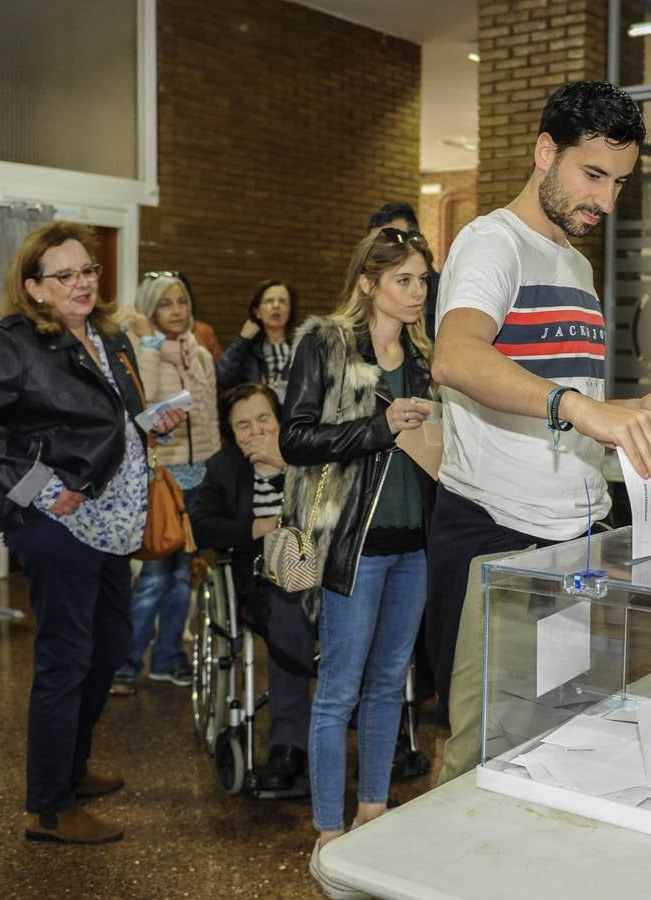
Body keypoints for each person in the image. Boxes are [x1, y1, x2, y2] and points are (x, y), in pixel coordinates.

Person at [427, 80, 651, 776]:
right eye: (594, 175)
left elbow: (563, 393)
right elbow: (457, 358)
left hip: (570, 543)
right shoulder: (492, 243)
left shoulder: (575, 264)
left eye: (621, 183)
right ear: (546, 152)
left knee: (556, 741)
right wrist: (579, 406)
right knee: (483, 757)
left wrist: (632, 414)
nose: (606, 201)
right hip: (500, 536)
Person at [0, 222, 185, 844]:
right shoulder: (15, 343)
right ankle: (47, 807)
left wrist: (151, 421)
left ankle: (69, 770)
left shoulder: (109, 335)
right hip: (55, 523)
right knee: (66, 660)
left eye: (88, 271)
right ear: (34, 288)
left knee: (108, 648)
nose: (81, 283)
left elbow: (107, 420)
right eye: (64, 275)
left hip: (109, 523)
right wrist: (40, 485)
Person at [278, 227, 437, 887]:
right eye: (404, 280)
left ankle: (373, 810)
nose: (417, 292)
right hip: (353, 543)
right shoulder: (326, 343)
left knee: (388, 683)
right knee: (339, 687)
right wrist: (380, 426)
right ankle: (327, 828)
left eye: (424, 280)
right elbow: (295, 437)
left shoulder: (427, 357)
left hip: (415, 546)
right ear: (368, 283)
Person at [192, 383, 313, 793]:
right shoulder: (225, 468)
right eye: (243, 426)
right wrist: (256, 528)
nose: (255, 431)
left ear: (280, 420)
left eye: (264, 419)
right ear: (231, 432)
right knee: (288, 610)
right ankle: (288, 747)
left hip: (323, 572)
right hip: (261, 583)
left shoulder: (306, 458)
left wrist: (285, 469)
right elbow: (200, 524)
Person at [112, 273, 223, 693]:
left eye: (181, 302)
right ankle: (126, 663)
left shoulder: (200, 355)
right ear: (149, 310)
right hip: (162, 476)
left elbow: (207, 411)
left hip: (198, 475)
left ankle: (169, 657)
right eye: (165, 304)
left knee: (181, 578)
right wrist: (154, 347)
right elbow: (145, 405)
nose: (176, 311)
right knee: (155, 576)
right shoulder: (141, 350)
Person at [368, 203, 439, 344]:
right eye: (376, 246)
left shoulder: (447, 296)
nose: (385, 253)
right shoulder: (339, 340)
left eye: (396, 241)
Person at [215, 279, 298, 400]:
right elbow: (222, 377)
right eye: (269, 301)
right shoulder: (248, 350)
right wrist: (242, 339)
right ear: (257, 311)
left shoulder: (302, 348)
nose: (276, 306)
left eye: (283, 301)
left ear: (290, 310)